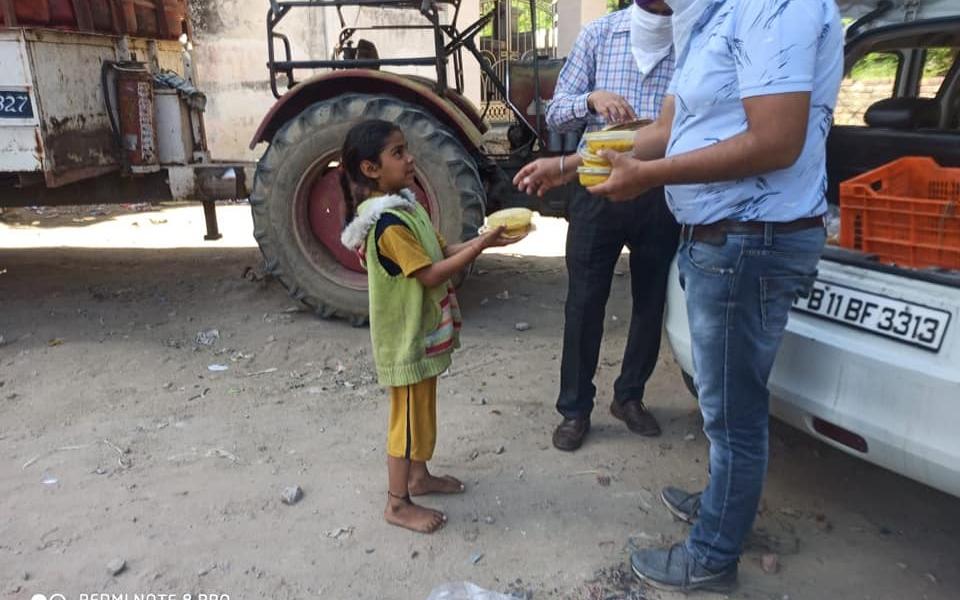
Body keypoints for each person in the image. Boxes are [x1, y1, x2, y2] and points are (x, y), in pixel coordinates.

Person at [585, 0, 844, 591]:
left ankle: (712, 556)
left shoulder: (777, 6)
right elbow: (669, 130)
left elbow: (777, 141)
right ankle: (723, 510)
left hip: (752, 241)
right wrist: (577, 161)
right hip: (724, 241)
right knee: (725, 402)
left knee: (732, 415)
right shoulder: (709, 19)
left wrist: (647, 177)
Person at [339, 120, 520, 533]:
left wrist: (484, 240)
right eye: (398, 153)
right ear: (370, 169)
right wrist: (479, 247)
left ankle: (418, 477)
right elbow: (430, 274)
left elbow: (441, 251)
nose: (410, 158)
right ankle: (397, 503)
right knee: (404, 423)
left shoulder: (406, 205)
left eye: (406, 150)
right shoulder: (387, 225)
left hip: (420, 335)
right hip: (403, 340)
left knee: (421, 414)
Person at [514, 1, 679, 452]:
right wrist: (592, 98)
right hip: (595, 187)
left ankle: (629, 397)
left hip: (661, 188)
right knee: (585, 301)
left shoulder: (695, 37)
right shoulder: (599, 35)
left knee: (651, 299)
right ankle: (574, 409)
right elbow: (557, 111)